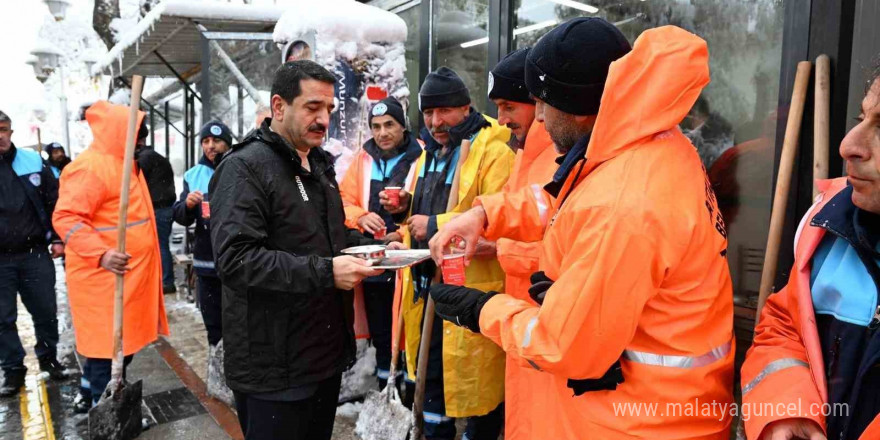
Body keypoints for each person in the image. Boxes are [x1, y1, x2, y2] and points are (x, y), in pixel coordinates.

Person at [428, 20, 735, 438]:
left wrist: (479, 309)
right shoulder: (643, 144)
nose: (537, 118)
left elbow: (564, 346)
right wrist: (483, 214)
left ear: (574, 105)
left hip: (641, 423)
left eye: (542, 104)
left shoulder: (623, 201)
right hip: (656, 405)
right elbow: (563, 202)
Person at [209, 60, 384, 440]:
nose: (324, 119)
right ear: (278, 107)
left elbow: (328, 241)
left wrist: (373, 248)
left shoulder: (319, 165)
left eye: (329, 109)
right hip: (273, 370)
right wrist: (326, 272)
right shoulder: (244, 168)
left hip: (321, 358)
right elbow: (237, 261)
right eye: (312, 107)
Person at [740, 69, 880, 440]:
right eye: (861, 119)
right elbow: (783, 329)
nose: (849, 144)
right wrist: (786, 408)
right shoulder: (829, 232)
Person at [378, 66, 514, 440]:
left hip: (469, 289)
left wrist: (436, 224)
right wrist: (404, 208)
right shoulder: (429, 155)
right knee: (431, 380)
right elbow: (422, 214)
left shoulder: (493, 152)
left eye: (445, 112)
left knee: (476, 388)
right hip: (426, 288)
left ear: (466, 108)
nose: (436, 122)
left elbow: (498, 220)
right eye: (429, 113)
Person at [52, 101, 169, 410]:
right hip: (102, 281)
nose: (141, 143)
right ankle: (103, 409)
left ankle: (90, 393)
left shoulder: (125, 163)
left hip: (124, 280)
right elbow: (67, 218)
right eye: (136, 136)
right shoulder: (90, 168)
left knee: (118, 348)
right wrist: (101, 254)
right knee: (109, 350)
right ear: (120, 134)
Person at [486, 47, 558, 440]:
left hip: (543, 317)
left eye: (509, 105)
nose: (502, 119)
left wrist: (485, 229)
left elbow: (544, 228)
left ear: (538, 102)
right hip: (524, 317)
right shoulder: (526, 155)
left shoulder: (556, 157)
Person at [338, 97, 422, 389]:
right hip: (373, 262)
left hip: (410, 262)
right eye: (376, 126)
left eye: (389, 125)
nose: (382, 132)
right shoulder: (362, 160)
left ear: (403, 126)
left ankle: (410, 388)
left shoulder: (422, 157)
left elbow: (428, 206)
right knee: (381, 330)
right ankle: (387, 384)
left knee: (411, 328)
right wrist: (360, 217)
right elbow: (343, 201)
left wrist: (402, 232)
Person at [0, 110, 69, 397]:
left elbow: (54, 201)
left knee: (45, 310)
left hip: (34, 253)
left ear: (11, 132)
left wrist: (57, 238)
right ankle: (13, 370)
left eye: (3, 129)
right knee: (2, 318)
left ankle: (49, 357)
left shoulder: (31, 162)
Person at [173, 120, 233, 400]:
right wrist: (187, 205)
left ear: (227, 143)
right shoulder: (193, 175)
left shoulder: (239, 166)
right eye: (206, 141)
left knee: (238, 319)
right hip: (207, 263)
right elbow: (180, 215)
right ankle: (218, 372)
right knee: (213, 322)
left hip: (236, 261)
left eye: (216, 141)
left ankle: (238, 371)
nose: (211, 146)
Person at [136, 132, 177, 294]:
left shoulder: (145, 158)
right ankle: (165, 280)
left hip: (158, 209)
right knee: (161, 245)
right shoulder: (156, 156)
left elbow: (135, 179)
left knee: (160, 246)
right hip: (164, 208)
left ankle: (166, 281)